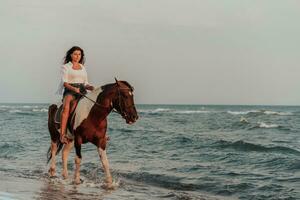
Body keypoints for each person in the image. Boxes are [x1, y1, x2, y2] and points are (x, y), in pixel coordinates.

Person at [58, 46, 94, 144]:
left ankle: (97, 132)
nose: (77, 56)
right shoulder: (66, 67)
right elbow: (65, 83)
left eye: (79, 54)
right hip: (70, 90)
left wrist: (90, 87)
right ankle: (62, 135)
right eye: (75, 54)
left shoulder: (83, 67)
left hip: (82, 90)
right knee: (66, 107)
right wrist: (74, 89)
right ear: (71, 55)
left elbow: (85, 83)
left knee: (93, 106)